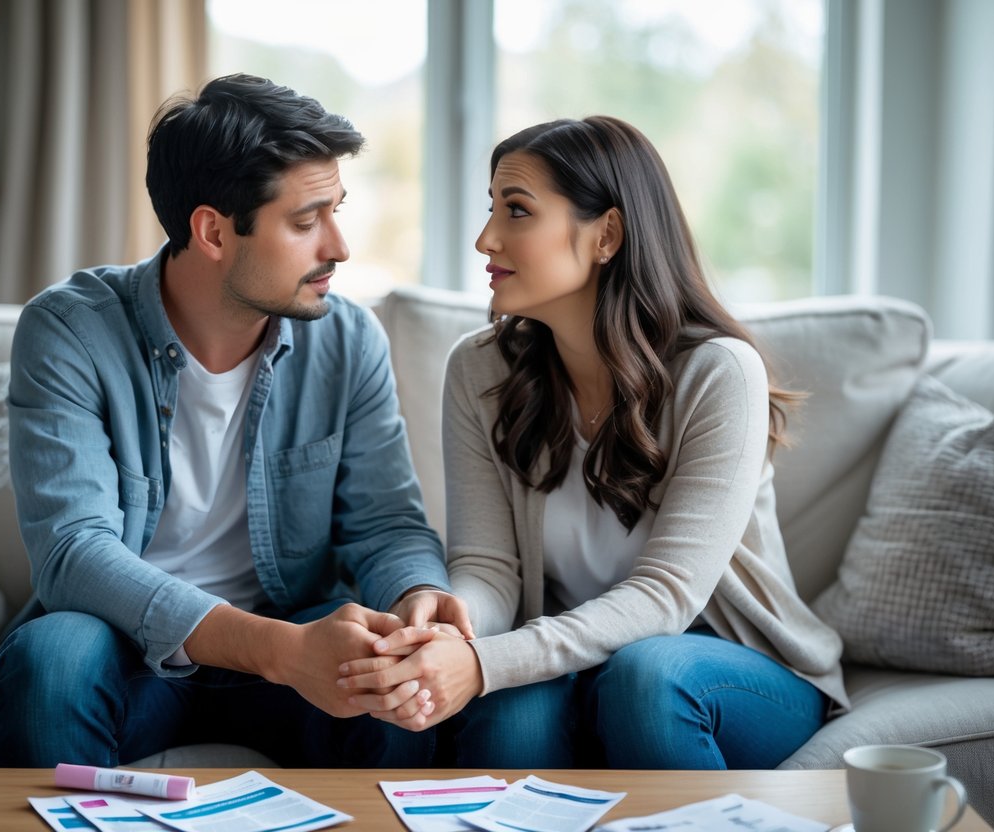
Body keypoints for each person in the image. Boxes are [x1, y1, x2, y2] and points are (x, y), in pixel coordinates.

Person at [0, 73, 471, 769]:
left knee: (385, 671)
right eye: (305, 222)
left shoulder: (347, 340)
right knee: (52, 656)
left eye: (336, 211)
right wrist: (282, 651)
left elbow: (384, 524)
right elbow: (73, 554)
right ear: (213, 230)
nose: (337, 246)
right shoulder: (69, 330)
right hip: (131, 645)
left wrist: (419, 596)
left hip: (297, 640)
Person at [337, 115, 849, 769]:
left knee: (646, 679)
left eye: (516, 211)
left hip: (730, 673)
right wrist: (446, 633)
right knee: (506, 718)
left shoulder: (717, 373)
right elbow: (489, 567)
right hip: (576, 658)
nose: (485, 237)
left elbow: (666, 595)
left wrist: (483, 660)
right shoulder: (479, 368)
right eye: (490, 208)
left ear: (606, 233)